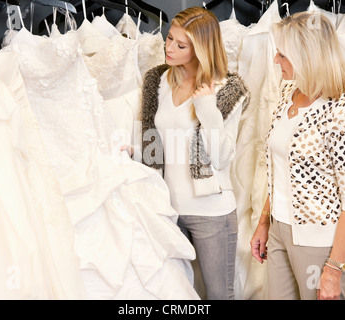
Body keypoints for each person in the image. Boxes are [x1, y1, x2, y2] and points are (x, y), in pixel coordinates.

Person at [122, 6, 250, 300]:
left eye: (180, 45)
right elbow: (156, 144)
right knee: (175, 295)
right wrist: (134, 153)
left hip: (212, 214)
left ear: (202, 49)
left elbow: (220, 158)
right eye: (169, 40)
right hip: (168, 210)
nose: (169, 48)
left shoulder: (229, 88)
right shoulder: (158, 81)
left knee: (218, 295)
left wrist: (207, 107)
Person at [250, 11, 345, 300]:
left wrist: (334, 269)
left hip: (320, 243)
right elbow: (281, 170)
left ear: (307, 56)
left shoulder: (342, 110)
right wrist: (264, 223)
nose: (276, 60)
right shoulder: (288, 93)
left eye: (283, 55)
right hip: (279, 231)